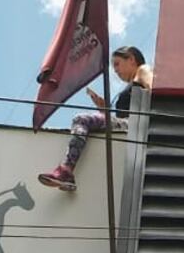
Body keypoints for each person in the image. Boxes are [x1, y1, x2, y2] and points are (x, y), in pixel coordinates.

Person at [38, 46, 153, 192]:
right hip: (129, 126)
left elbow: (153, 88)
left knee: (81, 119)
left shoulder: (143, 70)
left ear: (131, 59)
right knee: (85, 120)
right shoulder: (131, 87)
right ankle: (66, 173)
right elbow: (120, 121)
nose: (115, 70)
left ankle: (66, 169)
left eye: (117, 64)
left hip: (137, 124)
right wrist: (104, 109)